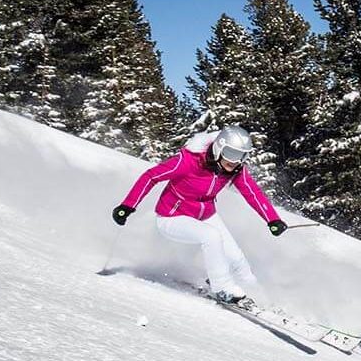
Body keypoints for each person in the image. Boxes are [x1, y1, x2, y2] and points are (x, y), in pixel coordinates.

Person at [112, 126, 286, 309]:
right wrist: (127, 205)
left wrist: (272, 219)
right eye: (231, 153)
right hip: (172, 216)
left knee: (236, 259)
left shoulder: (234, 169)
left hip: (205, 215)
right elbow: (151, 177)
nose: (235, 161)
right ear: (219, 147)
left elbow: (252, 192)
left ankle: (258, 295)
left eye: (242, 156)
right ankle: (222, 288)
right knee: (210, 236)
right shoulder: (188, 161)